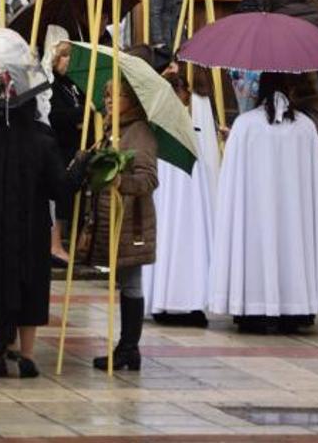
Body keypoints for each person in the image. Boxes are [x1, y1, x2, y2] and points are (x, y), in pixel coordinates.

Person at [208, 73, 318, 333]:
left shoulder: (246, 125)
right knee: (292, 247)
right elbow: (314, 180)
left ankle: (253, 308)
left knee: (256, 248)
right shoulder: (304, 127)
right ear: (290, 88)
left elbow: (231, 180)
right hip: (295, 212)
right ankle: (295, 307)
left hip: (254, 211)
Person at [0, 89, 83, 379]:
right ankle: (27, 354)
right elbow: (60, 187)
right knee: (29, 285)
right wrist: (81, 164)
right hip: (30, 226)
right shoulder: (41, 138)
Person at [79, 79, 158, 372]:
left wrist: (120, 181)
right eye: (107, 94)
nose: (110, 101)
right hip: (109, 217)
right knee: (124, 280)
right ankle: (127, 347)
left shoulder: (138, 131)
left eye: (118, 95)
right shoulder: (111, 130)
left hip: (130, 219)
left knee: (131, 281)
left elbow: (149, 179)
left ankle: (128, 347)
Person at [141, 70, 217, 329]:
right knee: (174, 238)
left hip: (182, 199)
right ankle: (175, 298)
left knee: (178, 240)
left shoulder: (181, 124)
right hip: (176, 199)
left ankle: (175, 298)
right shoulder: (169, 128)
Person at [48, 41, 85, 265]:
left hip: (72, 145)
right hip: (59, 146)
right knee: (59, 197)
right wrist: (80, 112)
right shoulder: (52, 86)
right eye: (65, 56)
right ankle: (55, 244)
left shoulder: (72, 85)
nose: (68, 61)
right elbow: (56, 116)